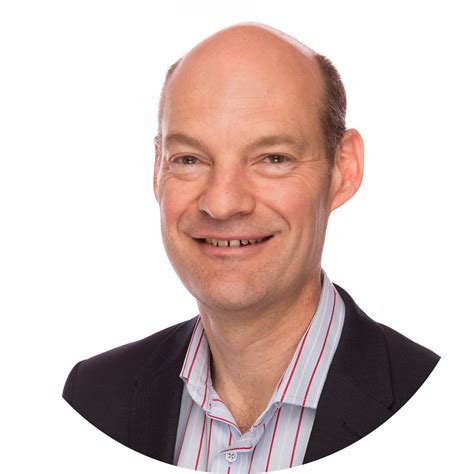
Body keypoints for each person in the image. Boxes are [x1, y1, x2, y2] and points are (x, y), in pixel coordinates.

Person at [63, 23, 440, 472]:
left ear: (343, 169)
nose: (222, 203)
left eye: (273, 158)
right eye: (189, 159)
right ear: (157, 170)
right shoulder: (90, 400)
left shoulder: (440, 406)